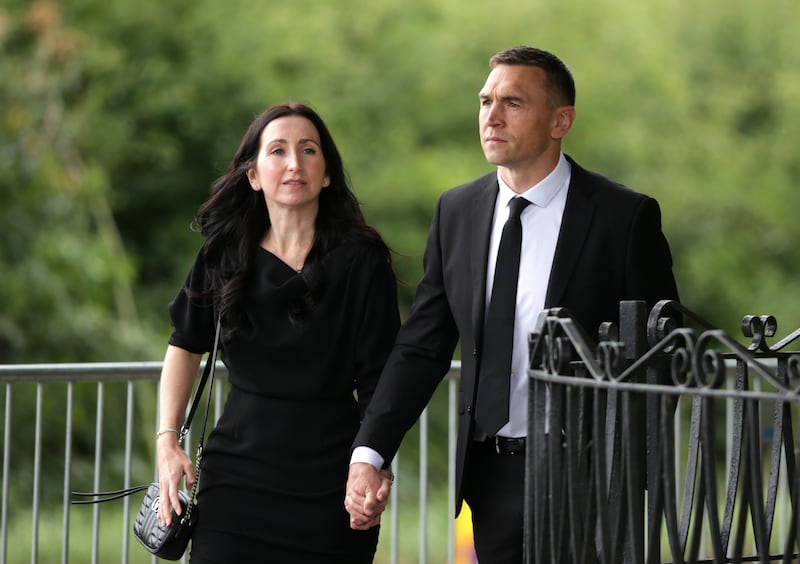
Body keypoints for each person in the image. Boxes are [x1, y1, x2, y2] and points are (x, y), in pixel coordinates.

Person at [344, 46, 680, 563]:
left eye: (513, 103)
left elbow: (663, 353)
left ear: (560, 121)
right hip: (491, 474)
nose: (491, 116)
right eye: (485, 101)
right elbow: (422, 347)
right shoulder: (456, 210)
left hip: (589, 477)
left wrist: (623, 468)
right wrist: (370, 452)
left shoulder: (624, 217)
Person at [156, 102, 399, 563]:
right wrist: (167, 441)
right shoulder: (223, 254)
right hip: (235, 483)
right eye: (278, 151)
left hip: (333, 485)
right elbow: (184, 343)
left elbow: (380, 382)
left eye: (309, 150)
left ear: (326, 173)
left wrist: (377, 465)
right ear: (253, 174)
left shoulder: (361, 261)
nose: (294, 163)